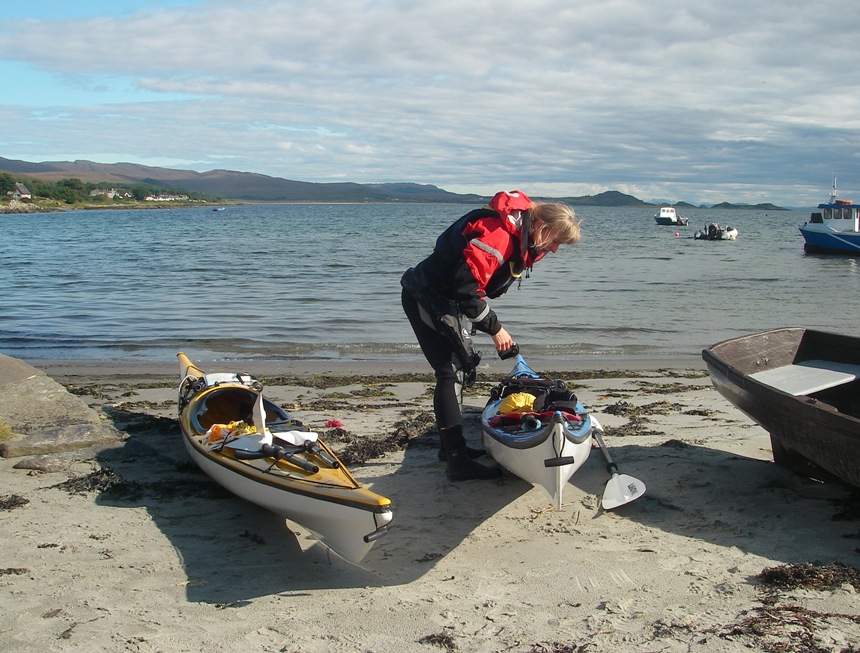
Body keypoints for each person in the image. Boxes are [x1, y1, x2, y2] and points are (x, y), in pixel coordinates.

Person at [401, 190, 582, 481]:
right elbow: (466, 291)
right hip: (424, 295)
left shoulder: (518, 233)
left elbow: (468, 292)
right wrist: (496, 329)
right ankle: (457, 462)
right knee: (449, 373)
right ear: (541, 227)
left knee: (459, 370)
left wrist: (491, 327)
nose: (555, 250)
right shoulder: (498, 234)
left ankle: (451, 450)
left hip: (444, 299)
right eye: (556, 242)